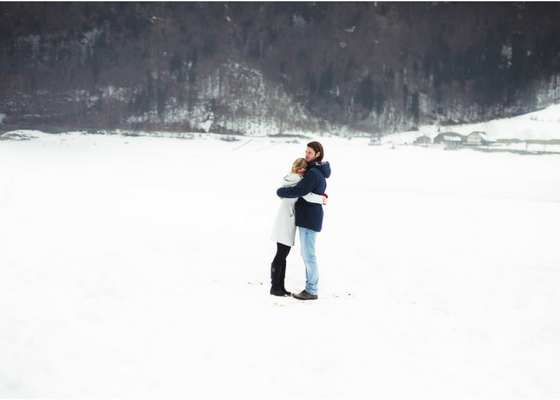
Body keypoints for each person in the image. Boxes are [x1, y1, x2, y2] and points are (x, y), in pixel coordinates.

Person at [276, 142, 331, 300]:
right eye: (305, 152)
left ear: (318, 154)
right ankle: (311, 288)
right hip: (310, 216)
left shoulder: (313, 172)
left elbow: (300, 191)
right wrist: (323, 198)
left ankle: (312, 290)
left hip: (309, 218)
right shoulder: (318, 171)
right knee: (308, 254)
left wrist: (280, 191)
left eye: (310, 152)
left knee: (309, 256)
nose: (306, 155)